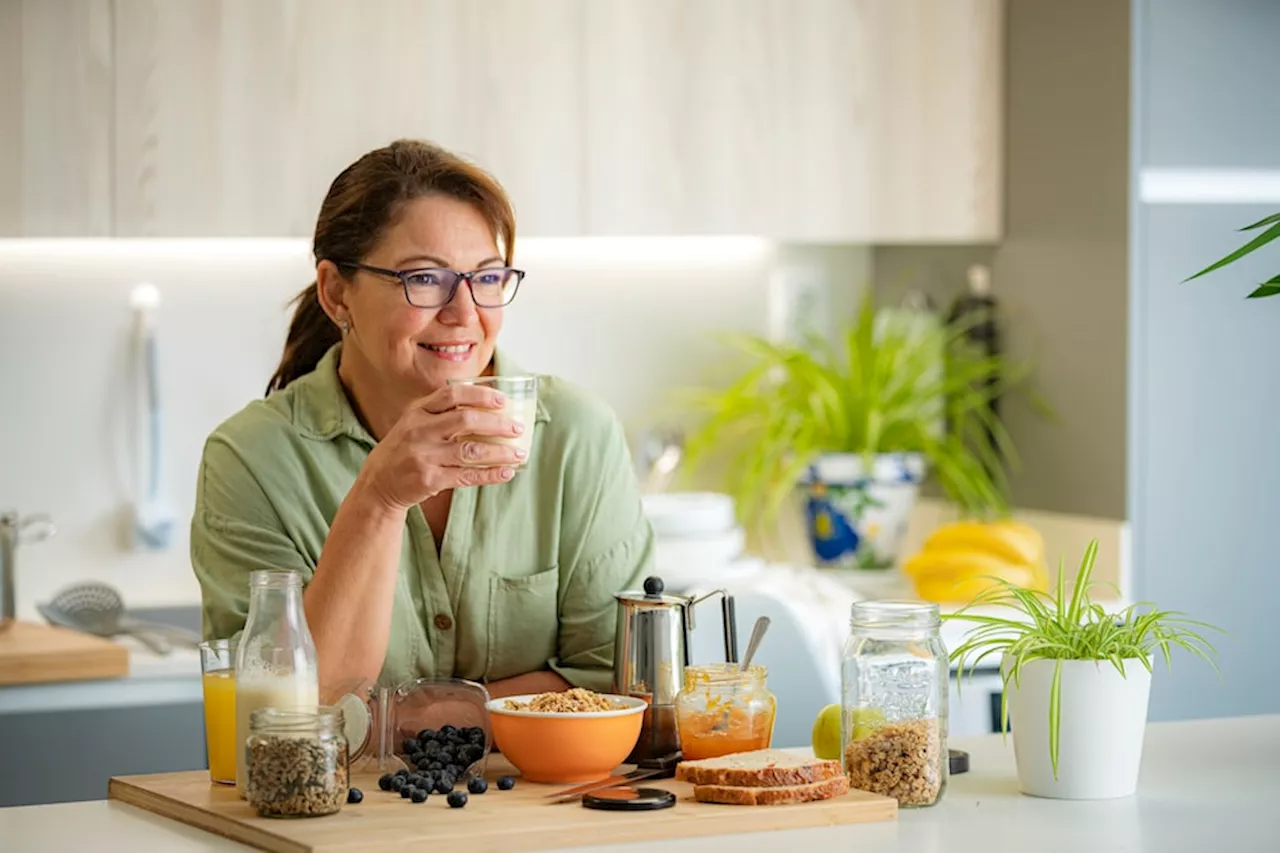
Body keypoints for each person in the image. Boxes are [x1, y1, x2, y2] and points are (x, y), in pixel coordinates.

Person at [191, 139, 654, 699]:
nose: (464, 314)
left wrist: (416, 719)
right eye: (425, 279)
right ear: (337, 294)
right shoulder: (251, 459)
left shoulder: (578, 436)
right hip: (336, 792)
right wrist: (379, 498)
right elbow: (285, 713)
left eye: (486, 278)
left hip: (545, 789)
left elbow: (618, 680)